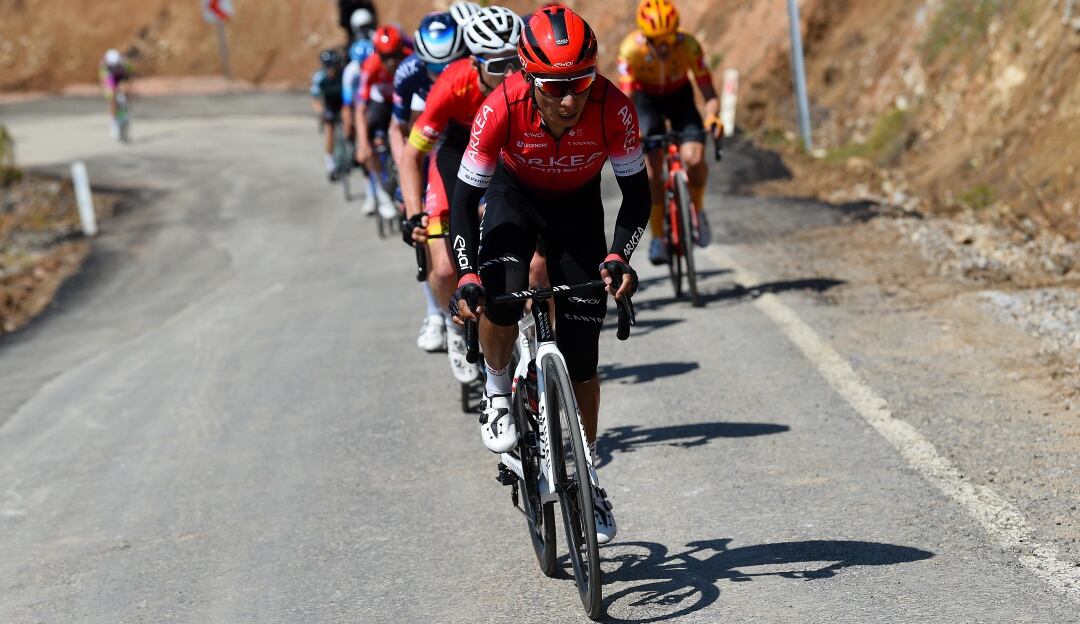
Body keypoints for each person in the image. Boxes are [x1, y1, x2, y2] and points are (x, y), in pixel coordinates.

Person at [449, 6, 652, 544]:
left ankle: (587, 477)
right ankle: (496, 390)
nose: (570, 98)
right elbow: (466, 200)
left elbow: (637, 195)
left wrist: (619, 255)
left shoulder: (614, 107)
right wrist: (468, 274)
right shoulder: (500, 107)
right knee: (505, 296)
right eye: (554, 85)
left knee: (584, 354)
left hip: (578, 208)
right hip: (512, 198)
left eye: (581, 81)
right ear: (526, 78)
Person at [399, 6, 523, 385]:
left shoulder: (525, 83)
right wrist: (415, 214)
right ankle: (453, 327)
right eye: (496, 66)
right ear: (476, 63)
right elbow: (412, 154)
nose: (508, 75)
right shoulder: (452, 84)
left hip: (504, 151)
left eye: (512, 64)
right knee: (444, 268)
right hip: (457, 155)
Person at [390, 7, 476, 353]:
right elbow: (398, 130)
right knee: (436, 256)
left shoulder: (478, 68)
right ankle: (442, 314)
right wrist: (404, 182)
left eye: (449, 65)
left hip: (474, 147)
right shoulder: (408, 73)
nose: (442, 74)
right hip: (431, 149)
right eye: (434, 68)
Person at [617, 0, 723, 265]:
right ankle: (657, 238)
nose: (664, 47)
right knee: (652, 172)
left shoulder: (688, 45)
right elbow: (626, 98)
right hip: (646, 101)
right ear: (644, 37)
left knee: (695, 159)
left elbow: (709, 92)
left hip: (680, 99)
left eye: (669, 38)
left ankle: (698, 212)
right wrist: (631, 129)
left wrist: (712, 116)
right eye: (657, 40)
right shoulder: (631, 50)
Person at [354, 25, 410, 217]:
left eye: (395, 54)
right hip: (381, 104)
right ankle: (381, 193)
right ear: (378, 54)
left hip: (403, 102)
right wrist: (362, 144)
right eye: (386, 57)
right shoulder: (369, 67)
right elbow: (360, 109)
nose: (392, 61)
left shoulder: (410, 59)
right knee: (372, 144)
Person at [310, 48, 346, 181]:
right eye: (328, 67)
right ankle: (330, 163)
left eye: (334, 67)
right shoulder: (319, 77)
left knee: (350, 122)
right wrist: (321, 112)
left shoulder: (343, 74)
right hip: (329, 105)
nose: (331, 70)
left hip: (342, 103)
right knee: (329, 129)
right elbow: (315, 99)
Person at [99, 49, 132, 140]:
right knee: (111, 97)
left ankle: (125, 114)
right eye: (113, 66)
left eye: (116, 65)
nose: (114, 67)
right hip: (111, 79)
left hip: (122, 76)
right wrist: (111, 91)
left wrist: (128, 90)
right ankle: (114, 121)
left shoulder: (124, 64)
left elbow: (129, 76)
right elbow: (106, 82)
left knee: (126, 90)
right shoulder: (105, 68)